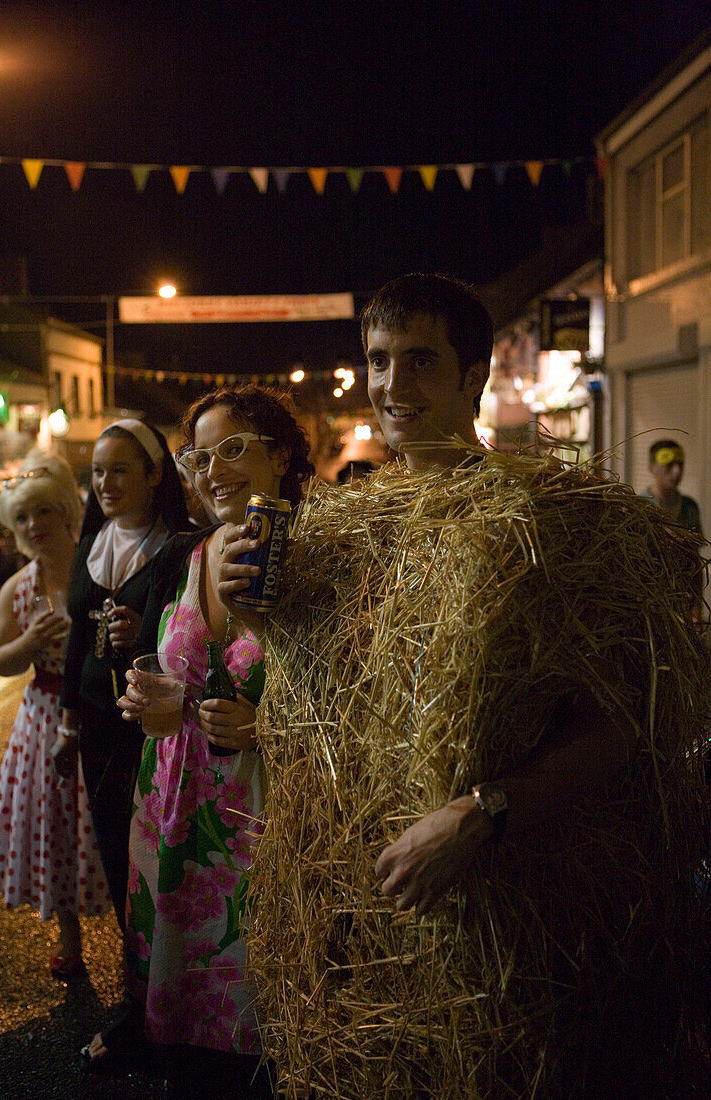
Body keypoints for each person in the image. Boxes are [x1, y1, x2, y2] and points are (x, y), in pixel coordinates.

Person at [244, 274, 709, 1097]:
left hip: (496, 956)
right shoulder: (334, 529)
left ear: (473, 377)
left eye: (419, 361)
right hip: (354, 955)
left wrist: (478, 815)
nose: (392, 385)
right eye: (379, 361)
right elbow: (319, 720)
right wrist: (261, 622)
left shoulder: (548, 521)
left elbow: (624, 725)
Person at [83, 386, 312, 1093]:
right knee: (178, 1020)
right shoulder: (189, 554)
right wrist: (141, 696)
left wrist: (265, 726)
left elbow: (355, 702)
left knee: (253, 1031)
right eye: (198, 457)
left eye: (234, 449)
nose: (213, 470)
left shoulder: (315, 553)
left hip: (256, 821)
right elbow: (161, 668)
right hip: (170, 805)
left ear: (280, 455)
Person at [0, 456, 110, 976]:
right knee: (57, 825)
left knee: (105, 820)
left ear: (64, 513)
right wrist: (28, 640)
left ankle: (134, 942)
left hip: (97, 711)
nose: (34, 527)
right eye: (24, 518)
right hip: (42, 717)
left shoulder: (95, 567)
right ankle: (70, 941)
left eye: (43, 514)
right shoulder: (18, 588)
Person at [57, 420, 188, 927]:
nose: (104, 484)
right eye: (96, 472)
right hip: (97, 729)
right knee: (112, 842)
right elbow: (74, 642)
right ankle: (132, 965)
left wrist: (144, 635)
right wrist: (68, 724)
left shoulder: (175, 548)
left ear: (154, 475)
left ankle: (161, 964)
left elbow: (187, 640)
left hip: (146, 729)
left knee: (153, 844)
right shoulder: (91, 541)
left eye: (118, 471)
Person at [642, 439, 703, 534]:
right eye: (669, 464)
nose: (677, 471)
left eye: (680, 464)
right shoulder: (640, 505)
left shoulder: (689, 506)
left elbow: (696, 546)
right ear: (651, 467)